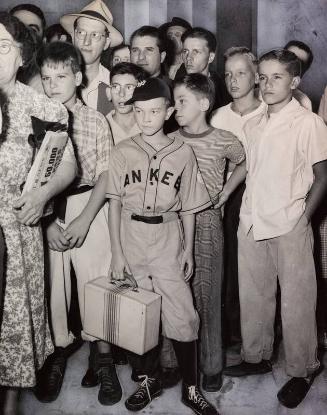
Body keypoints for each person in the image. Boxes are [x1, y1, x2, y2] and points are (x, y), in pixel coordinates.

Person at [107, 77, 218, 415]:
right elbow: (113, 204)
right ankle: (149, 382)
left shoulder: (182, 151)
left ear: (169, 111)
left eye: (154, 111)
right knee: (140, 314)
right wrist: (116, 252)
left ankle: (191, 388)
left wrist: (186, 250)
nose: (146, 118)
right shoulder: (123, 150)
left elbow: (186, 206)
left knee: (182, 314)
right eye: (139, 111)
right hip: (132, 233)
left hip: (168, 237)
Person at [223, 49, 327, 409]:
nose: (267, 84)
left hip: (289, 220)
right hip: (253, 219)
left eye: (277, 77)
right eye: (262, 77)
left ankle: (304, 368)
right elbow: (250, 169)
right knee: (254, 294)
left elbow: (322, 177)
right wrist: (231, 201)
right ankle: (258, 356)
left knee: (298, 301)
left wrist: (303, 218)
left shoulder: (308, 123)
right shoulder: (253, 123)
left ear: (295, 82)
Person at [35, 41, 121, 406]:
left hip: (89, 204)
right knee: (53, 286)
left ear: (78, 76)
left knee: (95, 280)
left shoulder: (94, 119)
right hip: (48, 209)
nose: (53, 84)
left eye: (61, 76)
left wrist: (86, 219)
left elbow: (105, 174)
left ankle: (103, 358)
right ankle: (55, 353)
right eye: (46, 77)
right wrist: (48, 222)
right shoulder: (35, 119)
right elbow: (31, 177)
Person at [0, 13, 76, 415]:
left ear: (22, 56)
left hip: (16, 228)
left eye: (1, 47)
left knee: (13, 322)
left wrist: (42, 194)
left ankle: (10, 400)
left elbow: (67, 165)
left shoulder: (39, 106)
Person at [171, 73, 245, 392]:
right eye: (173, 101)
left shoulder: (224, 139)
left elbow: (243, 162)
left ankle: (212, 364)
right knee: (174, 293)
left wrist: (226, 192)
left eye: (182, 101)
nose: (175, 107)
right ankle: (172, 362)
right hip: (173, 223)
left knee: (208, 294)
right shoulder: (171, 138)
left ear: (204, 103)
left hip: (208, 222)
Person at [210, 47, 265, 354]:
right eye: (228, 74)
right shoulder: (218, 116)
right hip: (226, 198)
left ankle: (256, 334)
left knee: (254, 269)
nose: (232, 80)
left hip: (259, 197)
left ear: (256, 77)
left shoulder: (267, 113)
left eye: (240, 73)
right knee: (228, 266)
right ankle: (231, 331)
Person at [60, 0, 123, 116]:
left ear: (106, 43)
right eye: (81, 33)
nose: (86, 42)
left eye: (95, 35)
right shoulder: (55, 80)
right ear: (73, 37)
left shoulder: (116, 87)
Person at [178, 27, 230, 111]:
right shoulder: (175, 87)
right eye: (185, 51)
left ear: (210, 57)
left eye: (196, 52)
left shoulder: (223, 92)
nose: (188, 58)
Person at [107, 62, 147, 144]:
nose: (121, 94)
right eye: (116, 87)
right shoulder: (102, 125)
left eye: (129, 87)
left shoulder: (148, 124)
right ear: (109, 92)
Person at [10, 3, 46, 93]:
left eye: (33, 30)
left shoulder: (46, 86)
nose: (24, 35)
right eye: (16, 27)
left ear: (44, 41)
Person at [284, 40, 313, 111]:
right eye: (288, 57)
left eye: (299, 63)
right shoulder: (257, 93)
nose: (291, 65)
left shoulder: (304, 103)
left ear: (302, 73)